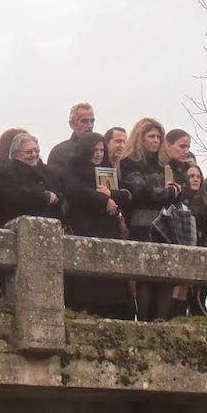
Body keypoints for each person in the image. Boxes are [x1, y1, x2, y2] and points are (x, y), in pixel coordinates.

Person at [61, 131, 133, 319]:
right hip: (85, 227)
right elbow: (74, 190)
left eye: (102, 150)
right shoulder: (74, 168)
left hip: (107, 229)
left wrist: (110, 196)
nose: (99, 154)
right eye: (95, 150)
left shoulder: (108, 169)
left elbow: (125, 194)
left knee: (111, 281)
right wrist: (101, 199)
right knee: (87, 281)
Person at [119, 117, 184, 321]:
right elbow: (139, 190)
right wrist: (166, 193)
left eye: (158, 137)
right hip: (142, 224)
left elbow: (180, 189)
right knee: (145, 276)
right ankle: (145, 320)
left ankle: (162, 322)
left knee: (165, 276)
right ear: (141, 138)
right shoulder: (129, 162)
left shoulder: (167, 165)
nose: (155, 141)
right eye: (151, 136)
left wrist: (169, 192)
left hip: (166, 224)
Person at [0, 132, 61, 223]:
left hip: (48, 224)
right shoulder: (7, 172)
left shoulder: (47, 172)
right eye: (29, 152)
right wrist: (42, 196)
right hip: (19, 225)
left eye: (36, 151)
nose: (34, 154)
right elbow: (11, 195)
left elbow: (58, 192)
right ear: (16, 154)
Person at [46, 102, 96, 180]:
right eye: (84, 121)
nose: (89, 125)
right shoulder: (60, 152)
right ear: (72, 124)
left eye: (92, 121)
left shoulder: (100, 150)